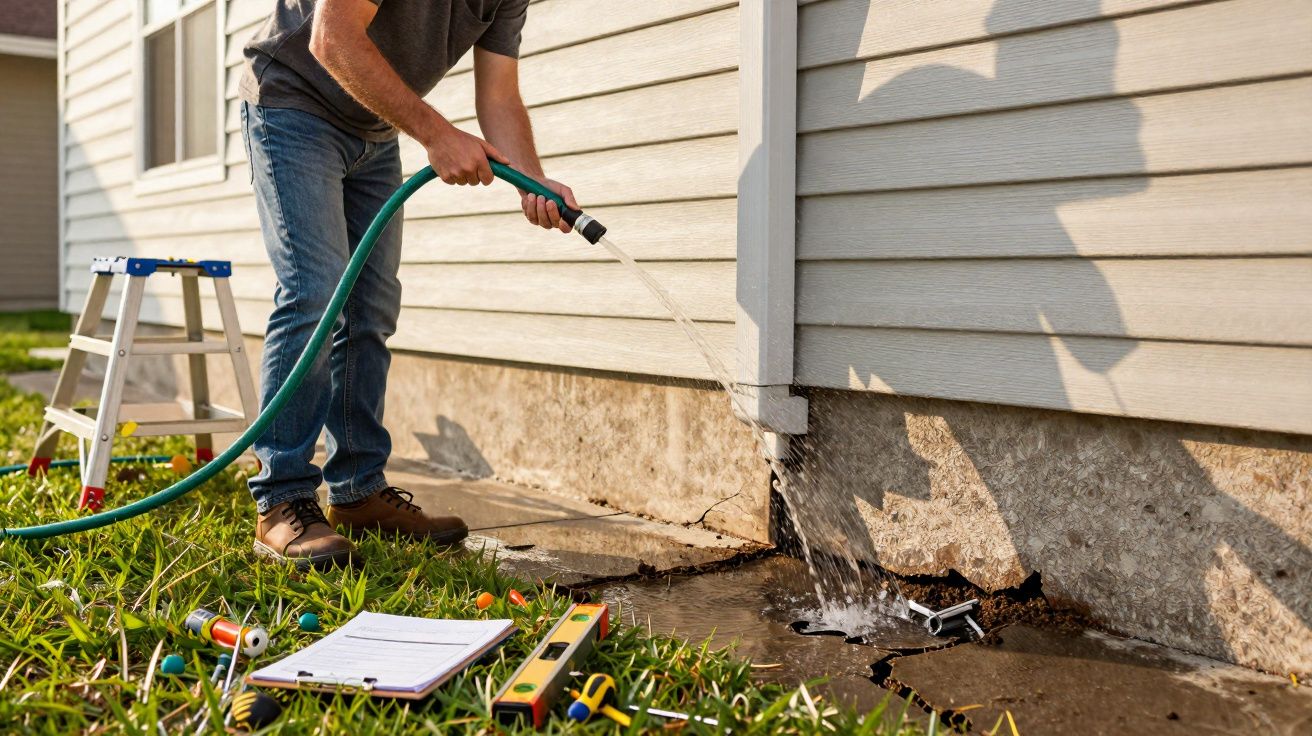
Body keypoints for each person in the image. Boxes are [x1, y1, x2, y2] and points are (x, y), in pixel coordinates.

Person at [239, 0, 577, 568]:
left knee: (371, 307)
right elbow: (333, 39)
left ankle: (358, 492)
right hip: (293, 105)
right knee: (315, 293)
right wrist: (436, 134)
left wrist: (533, 181)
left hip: (372, 127)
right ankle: (283, 499)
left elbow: (498, 96)